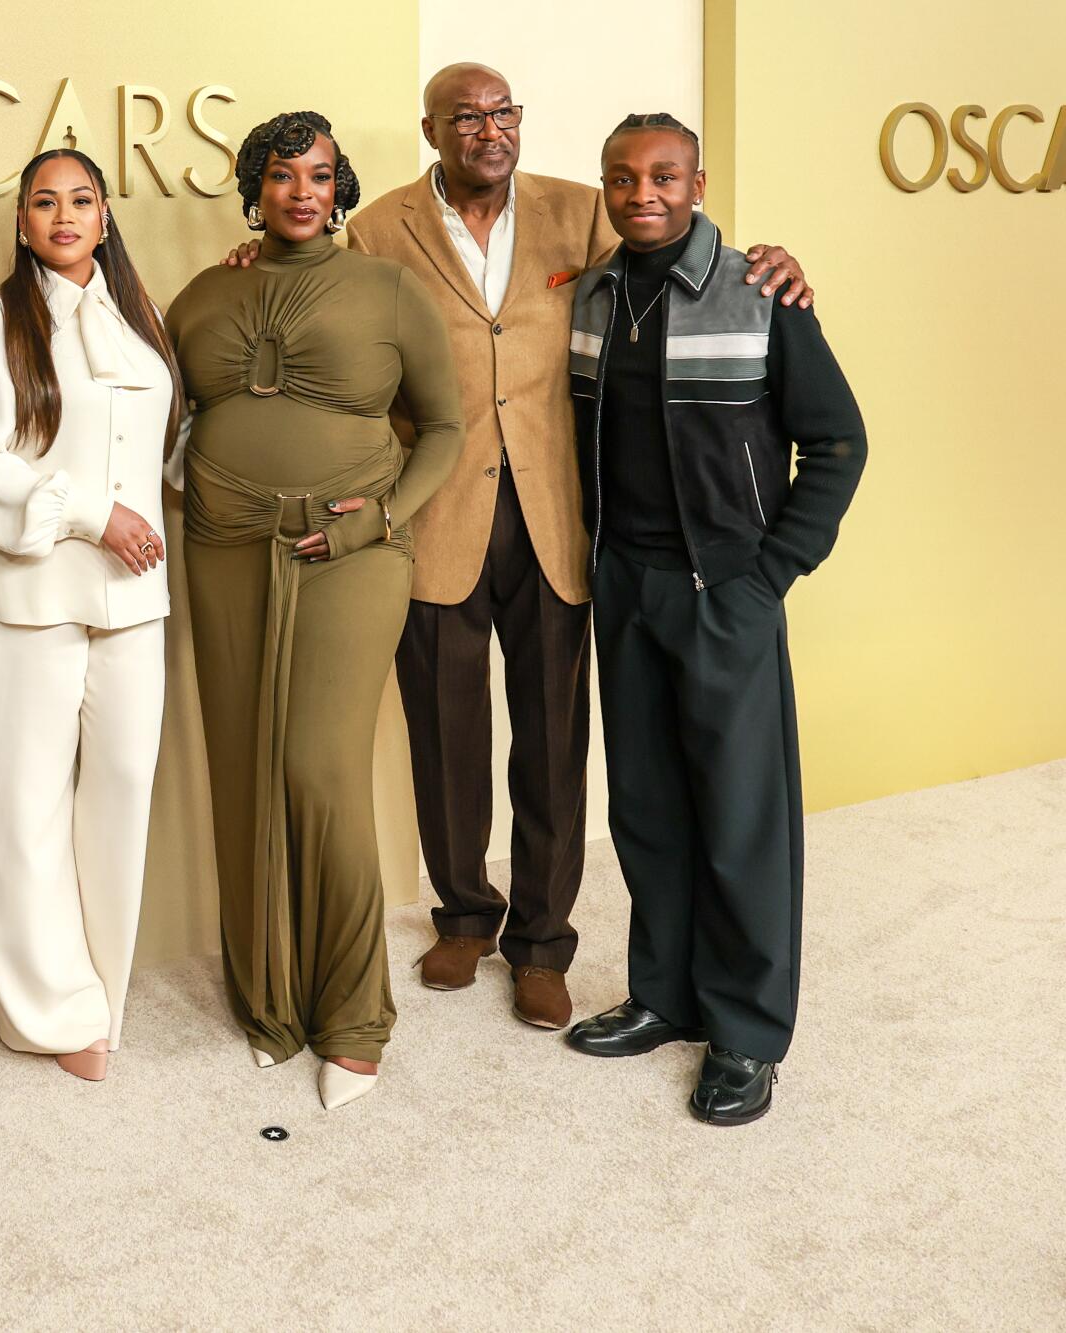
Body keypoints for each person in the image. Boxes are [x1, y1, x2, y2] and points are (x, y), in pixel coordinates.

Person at [229, 64, 811, 1030]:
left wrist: (772, 259)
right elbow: (319, 289)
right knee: (444, 733)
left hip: (563, 520)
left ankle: (543, 942)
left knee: (554, 738)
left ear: (521, 124)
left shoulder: (585, 211)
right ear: (431, 130)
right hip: (430, 513)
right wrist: (251, 260)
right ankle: (464, 917)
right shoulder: (378, 230)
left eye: (503, 114)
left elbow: (675, 250)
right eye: (466, 116)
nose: (487, 130)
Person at [562, 114, 866, 1126]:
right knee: (645, 808)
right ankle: (663, 994)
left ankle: (743, 1031)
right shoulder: (591, 294)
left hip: (721, 597)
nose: (640, 192)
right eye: (621, 176)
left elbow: (835, 443)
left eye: (661, 175)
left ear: (696, 180)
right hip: (624, 587)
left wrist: (767, 573)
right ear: (603, 188)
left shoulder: (759, 290)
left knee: (740, 819)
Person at [166, 111, 464, 1110]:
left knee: (316, 766)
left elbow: (445, 426)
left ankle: (351, 1016)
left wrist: (379, 517)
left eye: (321, 175)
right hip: (223, 552)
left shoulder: (387, 288)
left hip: (349, 553)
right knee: (243, 763)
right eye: (283, 174)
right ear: (253, 184)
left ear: (341, 187)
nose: (303, 190)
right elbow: (163, 418)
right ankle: (271, 1001)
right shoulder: (203, 293)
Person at [0, 151, 184, 1082]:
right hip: (29, 601)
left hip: (135, 602)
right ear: (20, 222)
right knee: (25, 808)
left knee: (123, 792)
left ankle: (103, 995)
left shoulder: (142, 321)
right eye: (43, 202)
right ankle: (49, 1011)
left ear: (103, 215)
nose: (62, 215)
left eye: (80, 200)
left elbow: (172, 438)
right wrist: (95, 513)